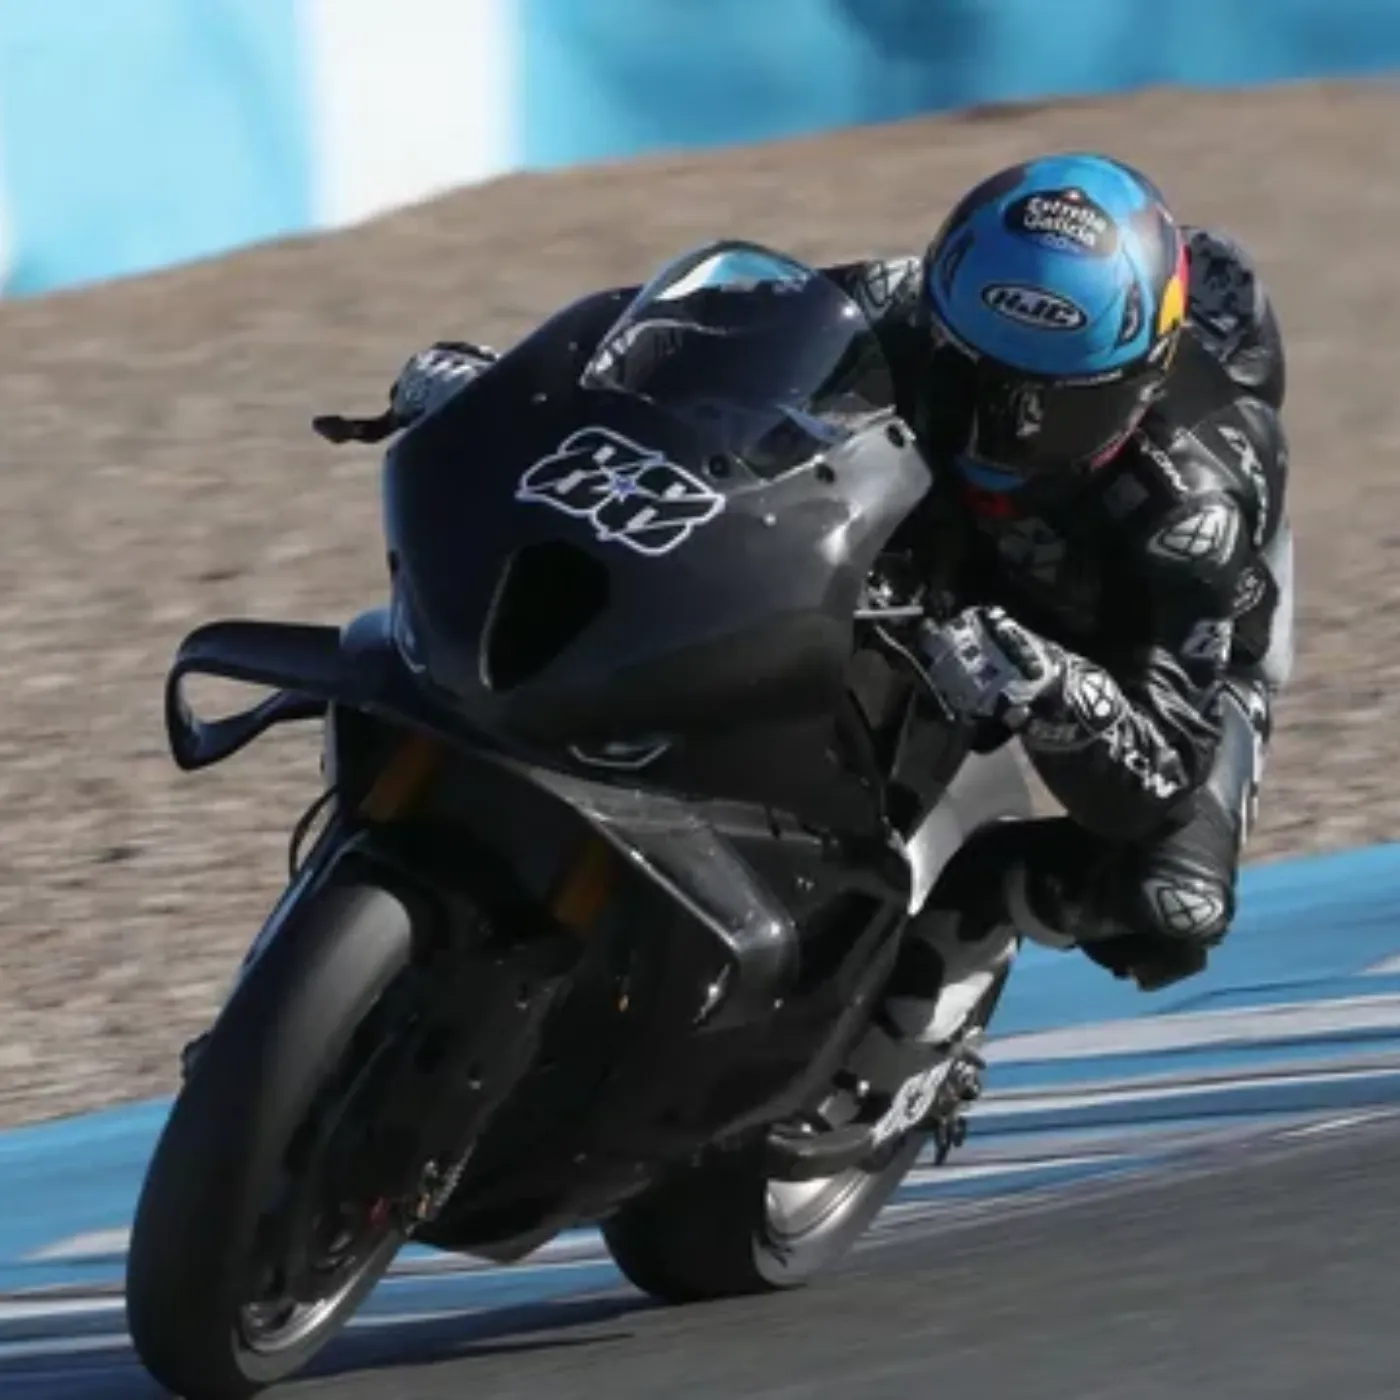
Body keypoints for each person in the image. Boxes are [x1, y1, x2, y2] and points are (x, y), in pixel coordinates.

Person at [361, 152, 1292, 1062]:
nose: (997, 434)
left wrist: (1056, 691)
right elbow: (696, 350)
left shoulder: (1192, 511)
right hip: (939, 538)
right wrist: (511, 390)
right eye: (968, 380)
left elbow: (1161, 771)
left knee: (1171, 902)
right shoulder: (902, 299)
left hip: (1136, 639)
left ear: (1137, 387)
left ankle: (909, 1032)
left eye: (1053, 411)